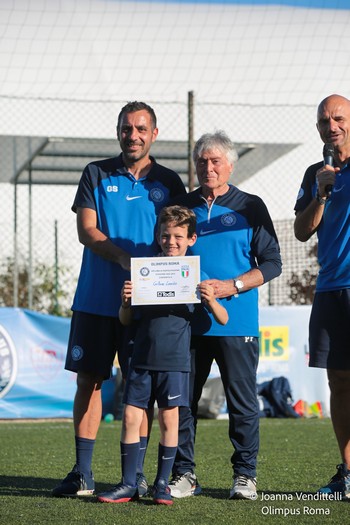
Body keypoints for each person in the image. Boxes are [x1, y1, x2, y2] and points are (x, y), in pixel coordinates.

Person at [52, 101, 186, 497]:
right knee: (89, 382)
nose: (133, 135)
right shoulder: (95, 172)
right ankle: (83, 473)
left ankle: (137, 475)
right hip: (95, 298)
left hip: (148, 306)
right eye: (127, 128)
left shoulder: (169, 181)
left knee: (138, 389)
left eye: (141, 129)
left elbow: (181, 235)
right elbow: (86, 231)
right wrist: (128, 259)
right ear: (118, 131)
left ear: (154, 134)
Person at [170, 130, 282, 500]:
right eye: (201, 161)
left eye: (215, 160)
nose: (208, 167)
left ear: (230, 165)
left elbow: (272, 264)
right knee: (183, 400)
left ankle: (245, 476)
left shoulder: (251, 206)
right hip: (188, 322)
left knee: (242, 402)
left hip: (238, 322)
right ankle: (184, 473)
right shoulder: (182, 207)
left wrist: (230, 286)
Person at [97, 205, 228, 505]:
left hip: (176, 362)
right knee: (131, 417)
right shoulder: (146, 270)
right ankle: (129, 483)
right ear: (158, 236)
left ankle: (161, 485)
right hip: (141, 358)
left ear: (191, 238)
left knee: (170, 422)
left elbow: (223, 319)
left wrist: (210, 300)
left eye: (178, 236)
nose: (172, 241)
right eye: (166, 235)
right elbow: (126, 320)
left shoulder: (197, 274)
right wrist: (126, 303)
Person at [294, 94, 350, 499]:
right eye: (325, 120)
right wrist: (321, 194)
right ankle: (348, 471)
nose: (332, 125)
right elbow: (301, 230)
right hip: (330, 289)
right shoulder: (317, 172)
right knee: (340, 383)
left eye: (339, 118)